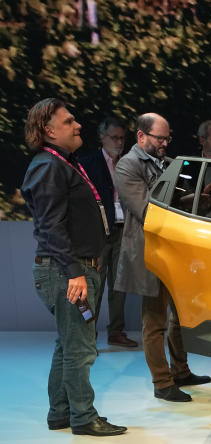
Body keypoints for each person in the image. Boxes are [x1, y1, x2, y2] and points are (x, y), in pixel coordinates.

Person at [21, 98, 126, 436]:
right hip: (68, 272)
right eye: (68, 122)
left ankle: (60, 413)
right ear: (49, 131)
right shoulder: (48, 166)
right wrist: (74, 273)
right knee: (80, 348)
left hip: (73, 269)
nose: (77, 125)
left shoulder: (63, 164)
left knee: (68, 344)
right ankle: (83, 417)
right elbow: (50, 227)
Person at [115, 113, 210, 402]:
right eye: (160, 138)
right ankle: (162, 381)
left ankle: (180, 371)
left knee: (179, 316)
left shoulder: (166, 164)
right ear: (141, 136)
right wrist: (184, 207)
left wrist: (200, 201)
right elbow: (147, 211)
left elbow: (170, 204)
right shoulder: (128, 165)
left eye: (167, 138)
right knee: (154, 320)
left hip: (172, 251)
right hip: (151, 252)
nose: (165, 143)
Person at [79, 116, 138, 348]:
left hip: (125, 229)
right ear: (102, 137)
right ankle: (89, 336)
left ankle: (116, 332)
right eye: (114, 137)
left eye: (122, 138)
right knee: (96, 284)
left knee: (119, 284)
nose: (119, 142)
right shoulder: (88, 163)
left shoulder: (130, 163)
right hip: (100, 231)